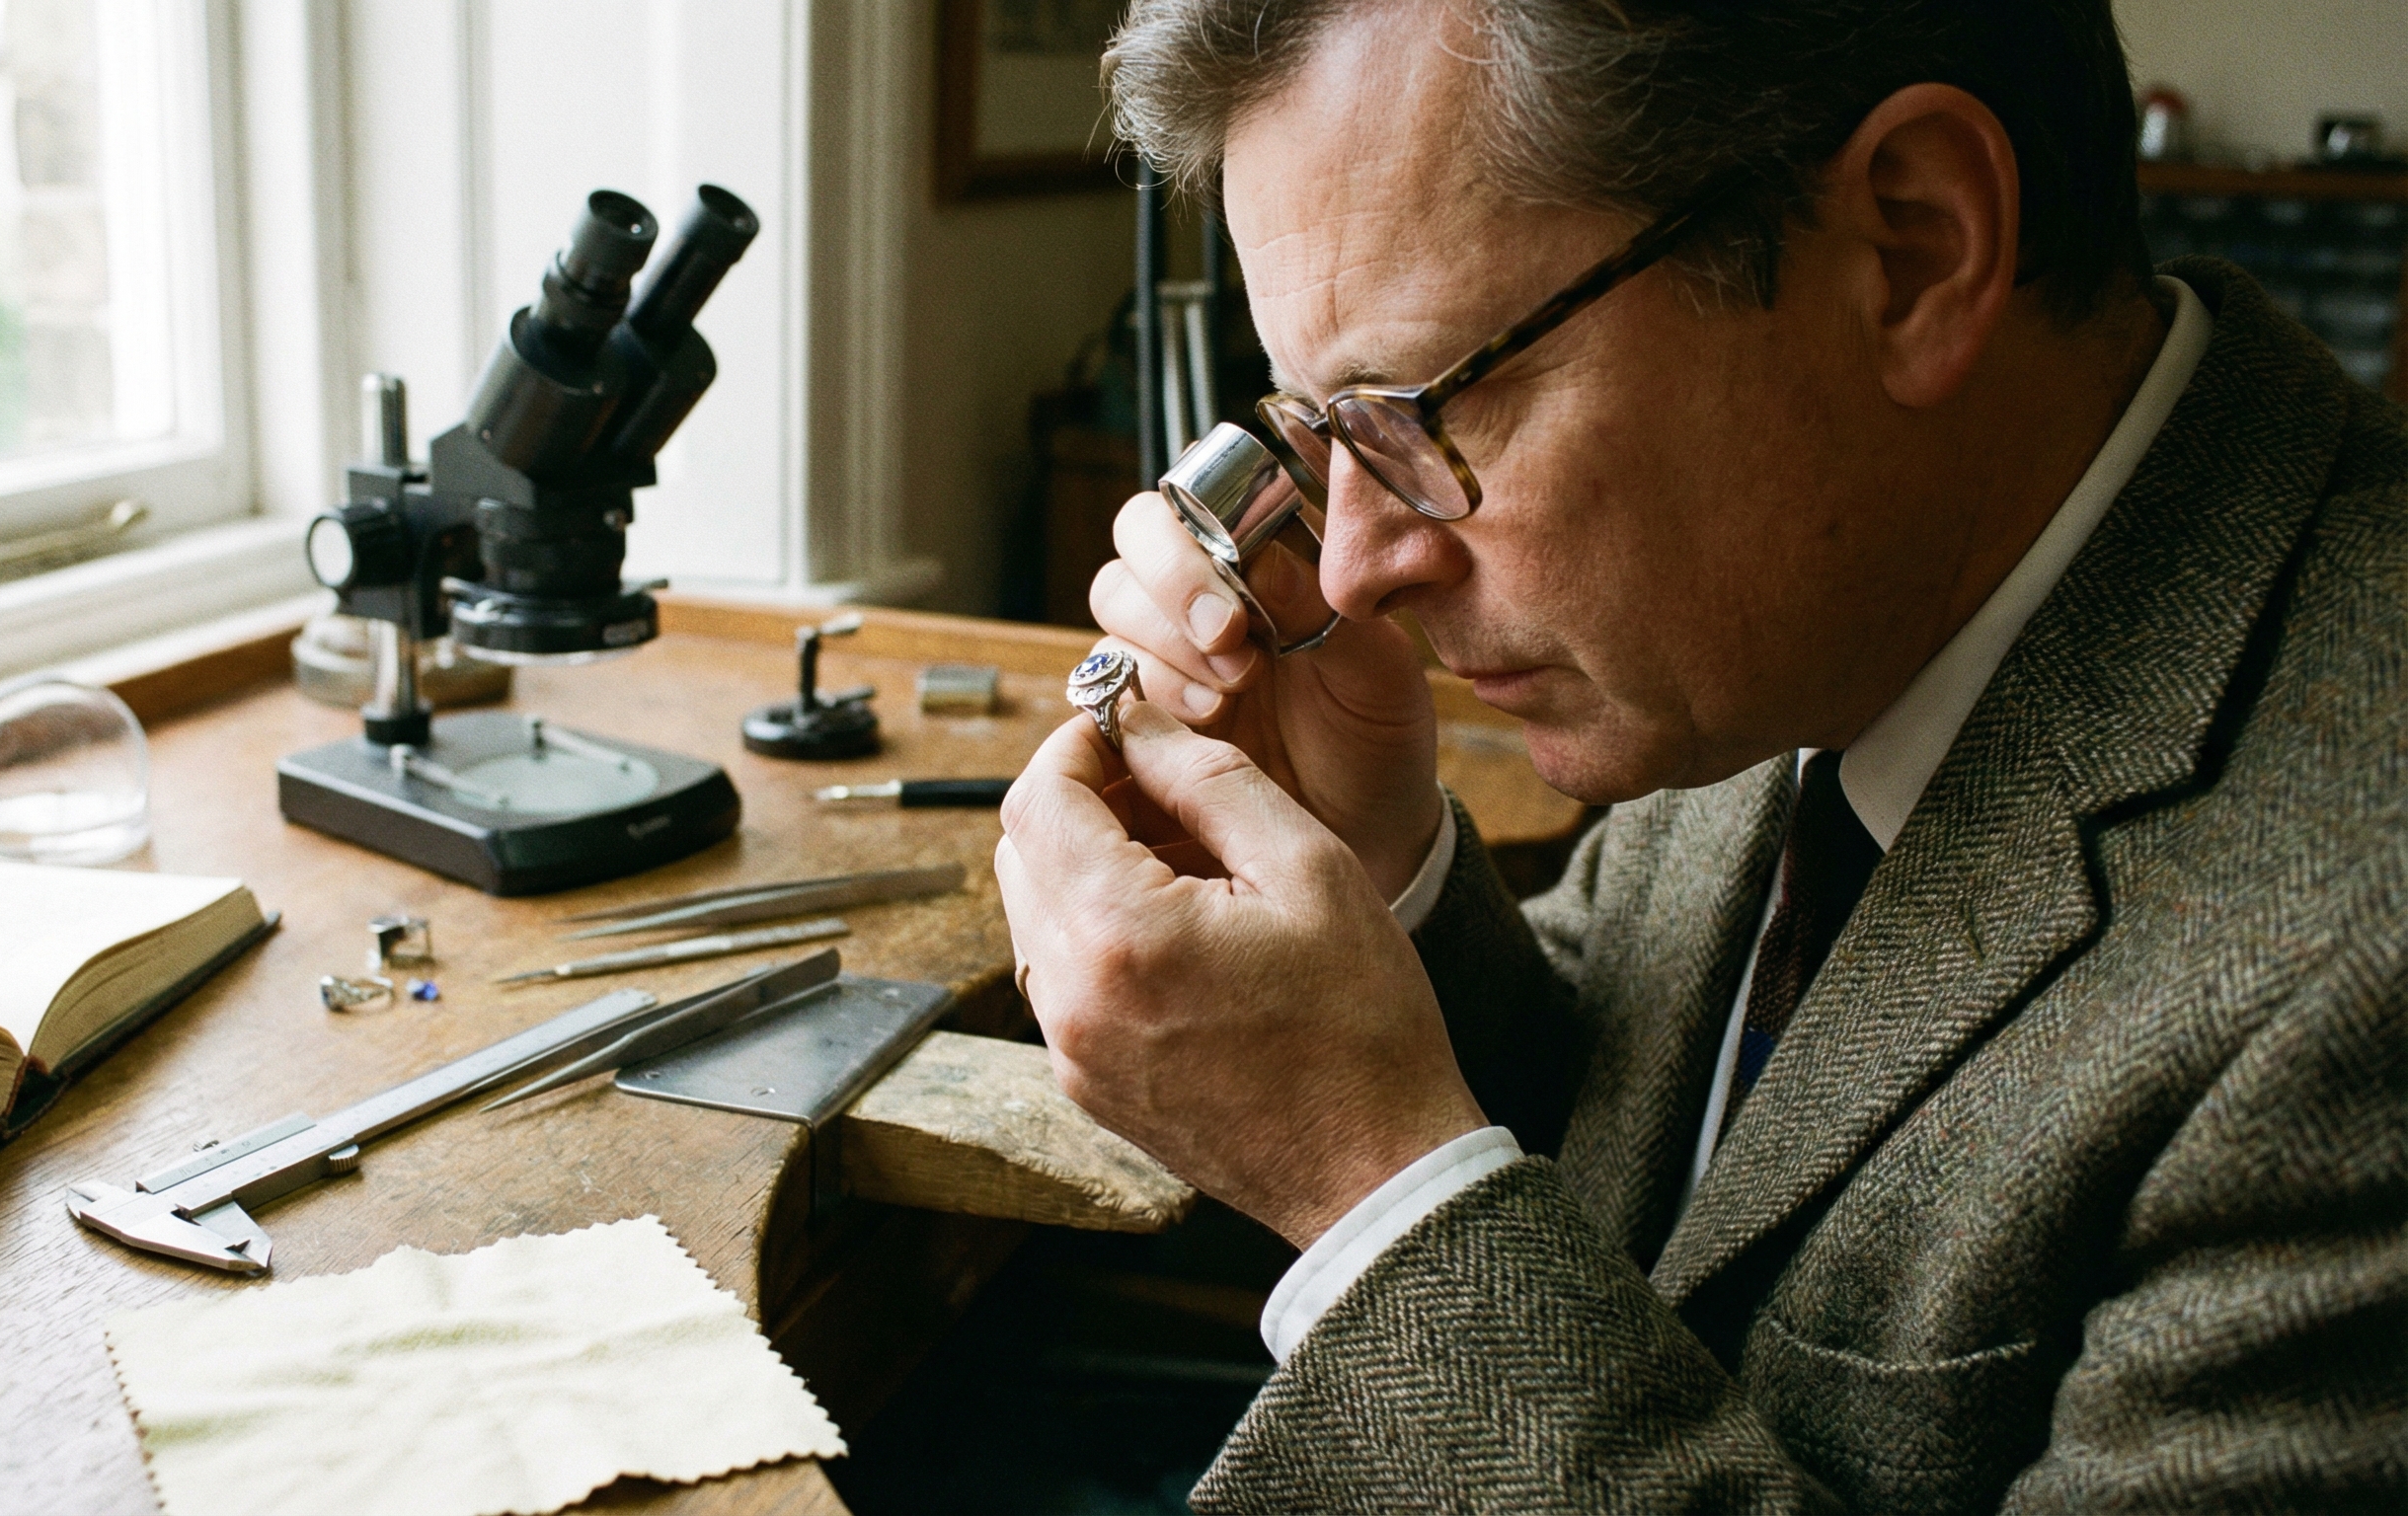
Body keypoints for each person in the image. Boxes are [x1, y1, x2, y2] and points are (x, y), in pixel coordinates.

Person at [992, 1, 2408, 1510]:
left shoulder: (2357, 966)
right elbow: (1677, 1145)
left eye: (1423, 411)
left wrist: (1367, 1184)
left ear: (1912, 251)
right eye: (1324, 432)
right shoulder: (1811, 591)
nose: (1350, 570)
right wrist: (1378, 871)